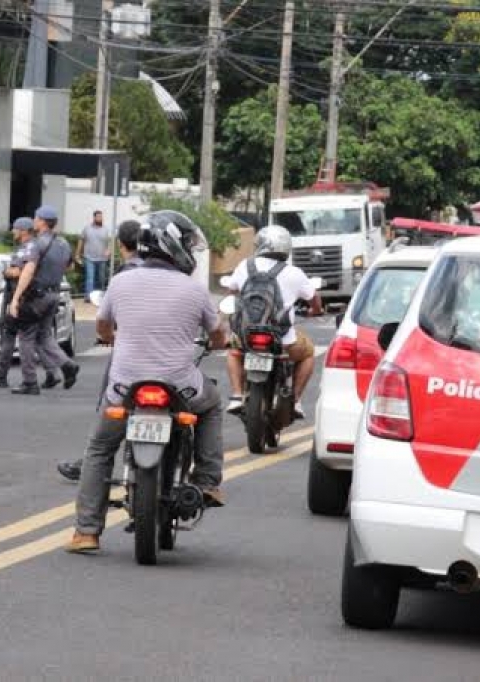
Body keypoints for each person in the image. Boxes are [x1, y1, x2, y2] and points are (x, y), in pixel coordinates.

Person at [66, 211, 229, 554]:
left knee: (99, 449)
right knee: (212, 404)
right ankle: (207, 481)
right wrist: (217, 344)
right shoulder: (194, 290)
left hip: (125, 388)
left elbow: (102, 327)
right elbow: (217, 335)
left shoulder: (121, 282)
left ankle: (86, 532)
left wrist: (112, 337)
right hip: (180, 387)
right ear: (173, 245)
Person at [56, 219, 145, 483]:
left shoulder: (123, 275)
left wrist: (110, 337)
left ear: (120, 243)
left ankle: (90, 471)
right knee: (203, 406)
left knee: (110, 405)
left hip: (128, 355)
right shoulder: (175, 275)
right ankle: (206, 476)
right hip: (169, 361)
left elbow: (104, 322)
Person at [224, 225, 322, 417]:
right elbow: (314, 299)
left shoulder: (245, 265)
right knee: (308, 353)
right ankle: (295, 401)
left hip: (247, 336)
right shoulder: (294, 272)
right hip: (282, 341)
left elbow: (232, 292)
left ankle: (236, 395)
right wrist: (315, 310)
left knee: (234, 352)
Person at [0, 218, 63, 390]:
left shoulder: (29, 247)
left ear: (24, 230)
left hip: (23, 298)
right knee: (34, 337)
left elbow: (19, 271)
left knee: (20, 337)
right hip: (25, 298)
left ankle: (22, 379)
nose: (13, 232)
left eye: (15, 229)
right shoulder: (32, 246)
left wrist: (7, 273)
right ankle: (48, 373)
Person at [7, 206, 80, 395]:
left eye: (36, 218)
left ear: (42, 221)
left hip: (36, 297)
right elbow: (70, 267)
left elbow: (28, 271)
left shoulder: (36, 244)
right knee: (45, 335)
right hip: (54, 294)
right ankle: (67, 365)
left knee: (26, 337)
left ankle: (30, 382)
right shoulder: (63, 243)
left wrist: (15, 299)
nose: (34, 221)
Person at [76, 210, 111, 297]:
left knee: (101, 279)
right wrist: (77, 254)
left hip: (102, 258)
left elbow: (108, 243)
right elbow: (81, 241)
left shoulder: (105, 229)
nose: (100, 218)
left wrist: (108, 250)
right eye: (98, 216)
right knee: (90, 278)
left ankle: (100, 296)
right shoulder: (87, 228)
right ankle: (88, 296)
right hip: (89, 257)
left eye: (101, 217)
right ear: (94, 217)